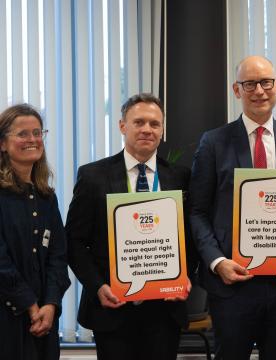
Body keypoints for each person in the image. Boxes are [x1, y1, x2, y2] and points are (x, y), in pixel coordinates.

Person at [189, 55, 276, 359]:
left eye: (266, 82)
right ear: (237, 90)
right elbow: (197, 211)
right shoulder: (214, 143)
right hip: (231, 285)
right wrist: (217, 262)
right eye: (249, 84)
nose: (259, 90)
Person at [66, 93, 192, 360]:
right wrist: (97, 286)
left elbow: (190, 239)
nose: (147, 129)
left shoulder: (181, 177)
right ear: (123, 126)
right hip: (112, 307)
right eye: (139, 122)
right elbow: (74, 241)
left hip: (164, 311)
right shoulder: (92, 176)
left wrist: (185, 278)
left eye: (155, 124)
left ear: (162, 130)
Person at [0, 104, 70, 360]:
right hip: (6, 320)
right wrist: (30, 305)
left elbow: (58, 257)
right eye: (22, 134)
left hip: (43, 320)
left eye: (38, 133)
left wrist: (50, 304)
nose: (32, 140)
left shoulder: (46, 197)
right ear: (3, 144)